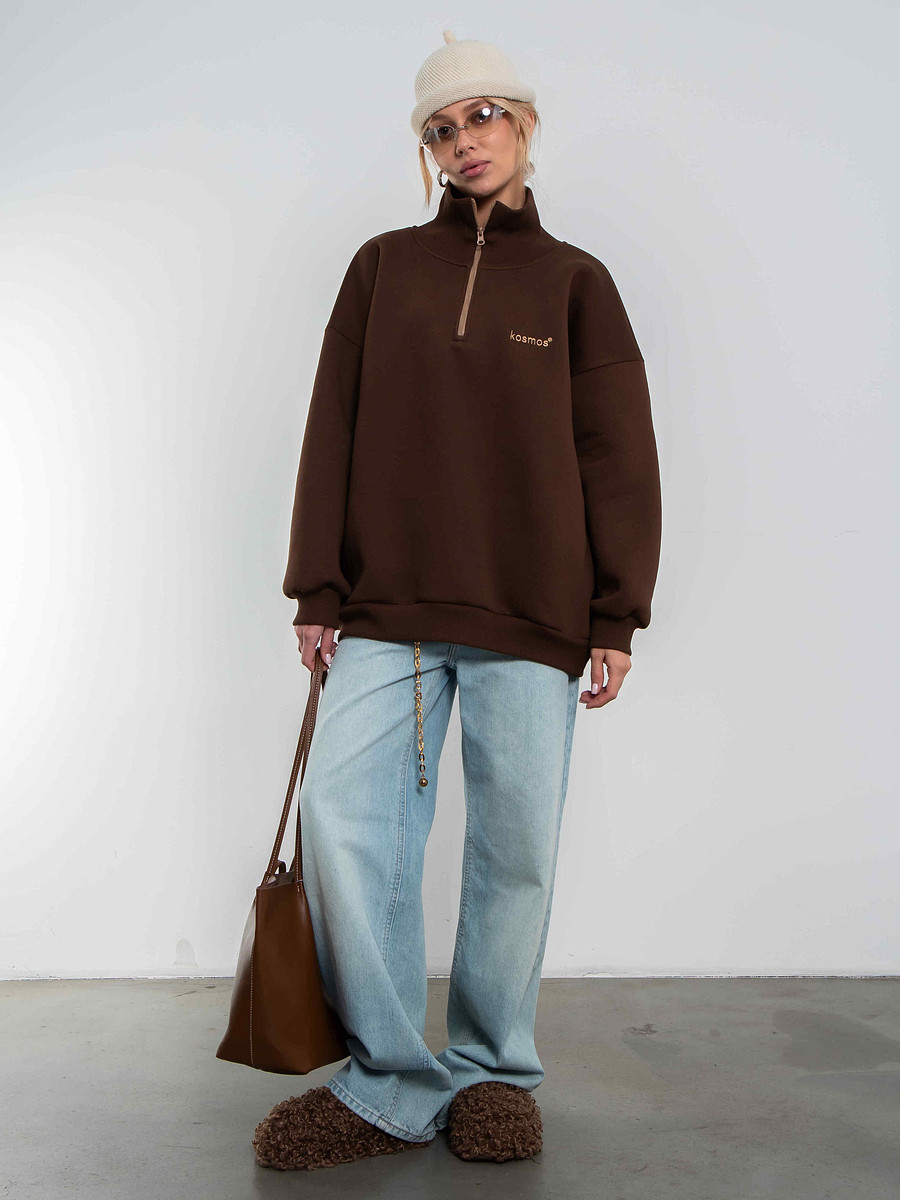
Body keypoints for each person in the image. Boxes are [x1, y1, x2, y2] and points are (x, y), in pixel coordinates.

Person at [251, 29, 662, 1171]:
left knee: (515, 849)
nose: (464, 141)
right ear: (426, 152)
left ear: (523, 124)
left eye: (482, 116)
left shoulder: (577, 283)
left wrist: (616, 615)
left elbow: (617, 455)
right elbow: (332, 424)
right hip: (387, 608)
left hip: (535, 610)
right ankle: (391, 1080)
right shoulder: (382, 268)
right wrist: (316, 586)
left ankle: (492, 1073)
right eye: (441, 129)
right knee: (345, 821)